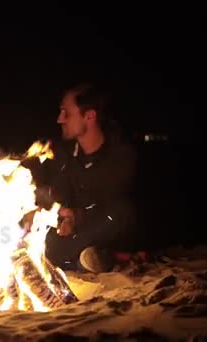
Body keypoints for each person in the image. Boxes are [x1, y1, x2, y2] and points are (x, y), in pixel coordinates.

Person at [43, 82, 137, 273]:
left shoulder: (120, 154)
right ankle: (86, 258)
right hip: (76, 234)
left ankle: (89, 256)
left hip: (104, 230)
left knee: (120, 214)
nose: (60, 119)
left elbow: (112, 205)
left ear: (89, 116)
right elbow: (58, 194)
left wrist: (78, 216)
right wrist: (63, 216)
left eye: (66, 113)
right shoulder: (64, 155)